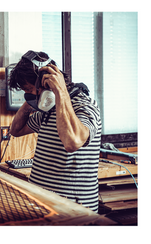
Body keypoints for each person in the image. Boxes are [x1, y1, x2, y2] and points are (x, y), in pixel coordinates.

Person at [8, 50, 101, 212]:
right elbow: (16, 130)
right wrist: (32, 100)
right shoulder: (48, 111)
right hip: (40, 203)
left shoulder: (84, 106)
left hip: (72, 210)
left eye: (28, 90)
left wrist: (59, 92)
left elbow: (72, 142)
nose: (27, 96)